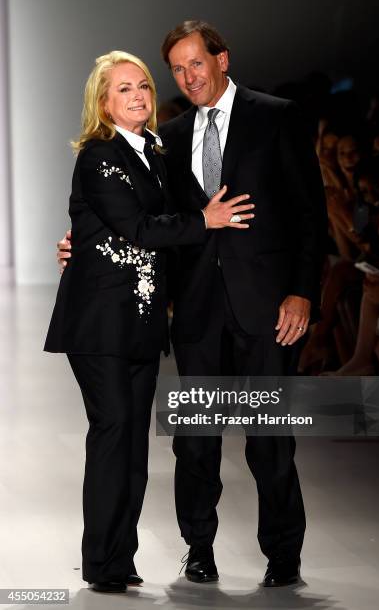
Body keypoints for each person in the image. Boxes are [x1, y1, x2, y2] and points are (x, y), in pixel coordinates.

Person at [58, 22, 327, 587]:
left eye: (195, 64)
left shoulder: (276, 115)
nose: (188, 76)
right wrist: (84, 245)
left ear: (222, 59)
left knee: (270, 438)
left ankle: (283, 553)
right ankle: (198, 548)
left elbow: (309, 213)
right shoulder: (169, 138)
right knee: (196, 442)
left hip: (266, 309)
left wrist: (303, 292)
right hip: (197, 313)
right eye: (177, 69)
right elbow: (145, 219)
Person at [45, 49, 254, 594]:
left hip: (138, 324)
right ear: (103, 102)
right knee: (114, 433)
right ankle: (102, 560)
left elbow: (140, 229)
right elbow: (138, 226)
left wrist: (81, 241)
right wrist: (203, 219)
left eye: (142, 85)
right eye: (123, 89)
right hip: (98, 324)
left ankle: (119, 557)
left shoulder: (154, 153)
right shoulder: (99, 156)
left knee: (132, 441)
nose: (138, 95)